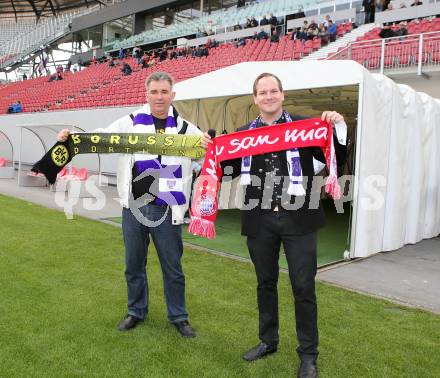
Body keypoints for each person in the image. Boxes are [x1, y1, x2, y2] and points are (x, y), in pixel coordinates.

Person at [56, 72, 211, 337]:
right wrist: (70, 138)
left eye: (164, 92)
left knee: (173, 267)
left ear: (172, 95)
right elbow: (102, 137)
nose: (159, 97)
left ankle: (179, 317)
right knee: (133, 264)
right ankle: (136, 311)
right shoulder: (130, 122)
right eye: (154, 92)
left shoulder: (187, 130)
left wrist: (205, 152)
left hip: (167, 208)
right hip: (135, 206)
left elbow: (202, 162)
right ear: (146, 94)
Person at [219, 73, 347, 378]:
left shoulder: (306, 126)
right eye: (262, 92)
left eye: (273, 91)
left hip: (298, 217)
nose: (268, 96)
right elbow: (226, 170)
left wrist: (338, 126)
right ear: (255, 98)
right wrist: (214, 148)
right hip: (259, 219)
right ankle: (268, 341)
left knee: (303, 287)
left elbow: (335, 159)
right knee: (265, 284)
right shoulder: (242, 134)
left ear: (282, 94)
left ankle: (308, 355)